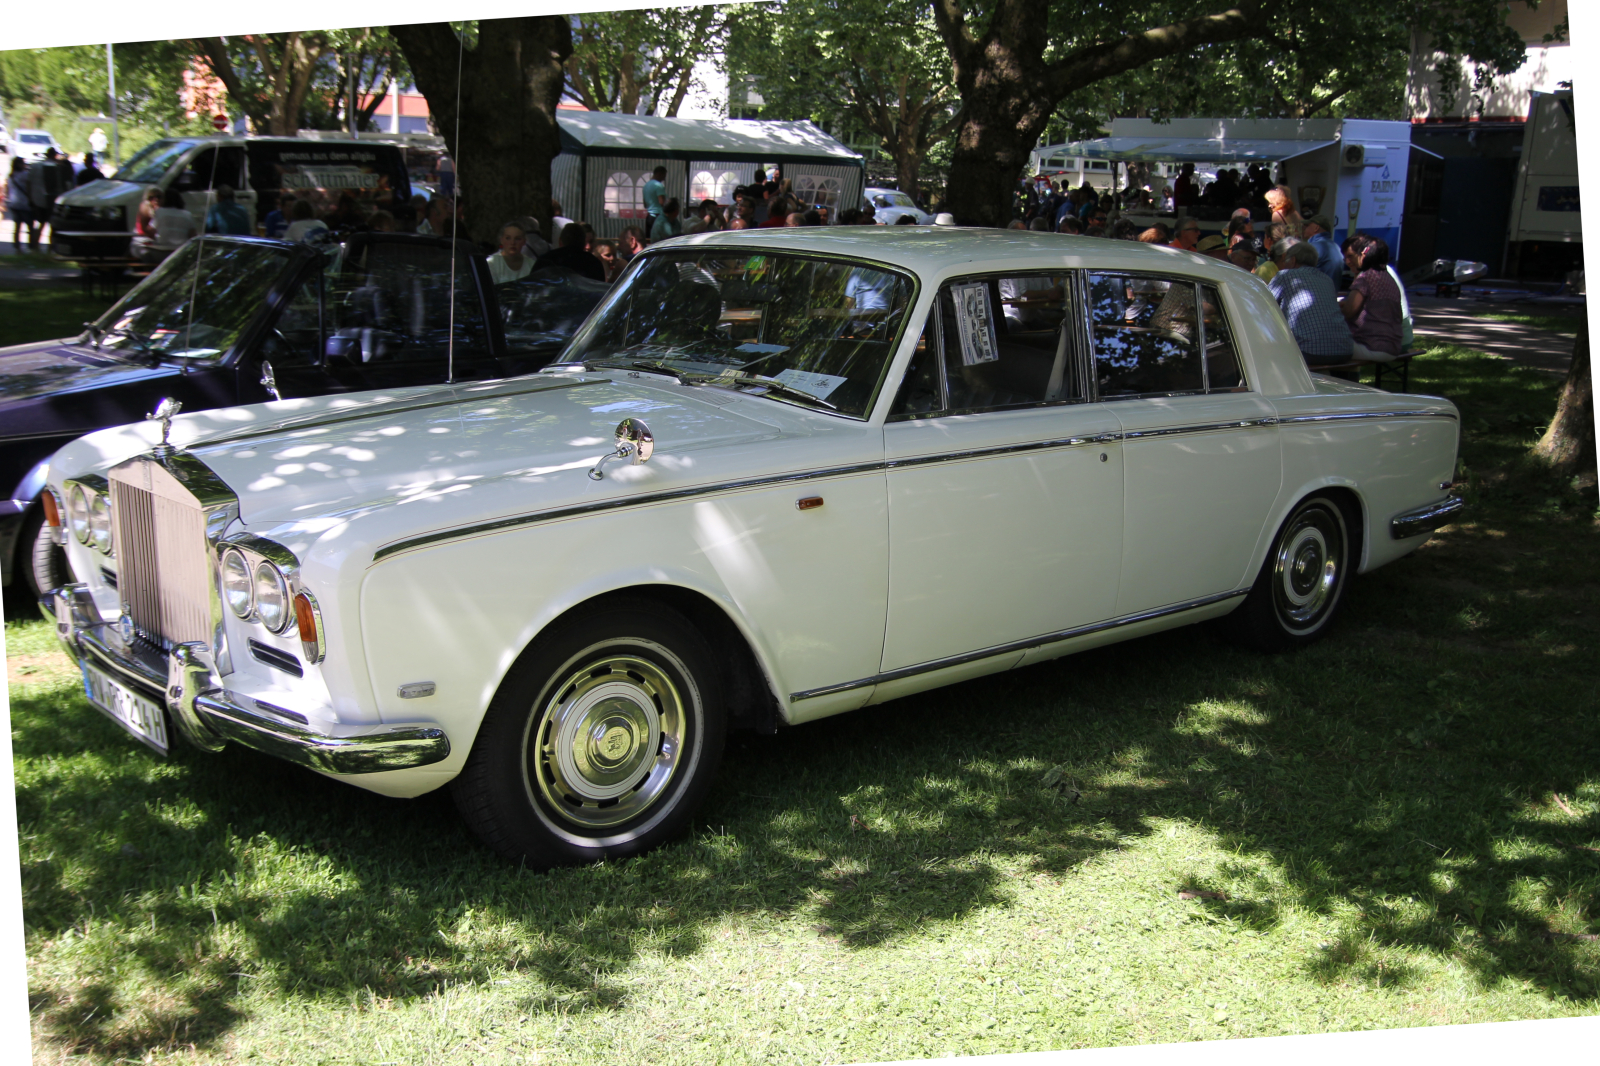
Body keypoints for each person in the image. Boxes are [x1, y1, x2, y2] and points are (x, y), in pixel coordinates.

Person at [1268, 239, 1353, 366]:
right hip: (1344, 350)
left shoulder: (1284, 276)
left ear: (1293, 260)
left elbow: (1263, 305)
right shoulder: (1327, 279)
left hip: (1309, 352)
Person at [1340, 237, 1404, 360]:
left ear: (1363, 255)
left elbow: (1348, 312)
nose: (1347, 261)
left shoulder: (1365, 278)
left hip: (1370, 347)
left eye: (1351, 256)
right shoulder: (1388, 278)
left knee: (1320, 345)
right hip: (1393, 348)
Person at [132, 187, 198, 263]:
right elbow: (193, 236)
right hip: (180, 253)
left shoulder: (159, 212)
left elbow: (150, 231)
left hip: (161, 253)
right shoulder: (188, 214)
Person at [535, 221, 605, 282]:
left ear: (560, 241)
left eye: (591, 241)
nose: (588, 247)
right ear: (583, 242)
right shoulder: (593, 263)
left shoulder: (546, 260)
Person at [1303, 214, 1342, 287]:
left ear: (1316, 228)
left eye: (1307, 225)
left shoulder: (1314, 247)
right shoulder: (1336, 247)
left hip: (1316, 295)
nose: (1304, 228)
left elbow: (1300, 275)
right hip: (1331, 295)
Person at [4, 158, 32, 251]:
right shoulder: (25, 175)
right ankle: (31, 245)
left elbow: (8, 190)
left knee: (17, 226)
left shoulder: (10, 176)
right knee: (30, 226)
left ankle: (17, 246)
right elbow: (29, 188)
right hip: (24, 203)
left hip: (13, 203)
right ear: (19, 164)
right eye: (23, 163)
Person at [640, 165, 668, 231]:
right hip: (658, 217)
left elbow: (645, 204)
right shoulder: (658, 186)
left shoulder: (646, 186)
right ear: (659, 174)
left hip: (649, 217)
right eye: (663, 176)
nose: (664, 179)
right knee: (660, 240)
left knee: (649, 240)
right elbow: (661, 202)